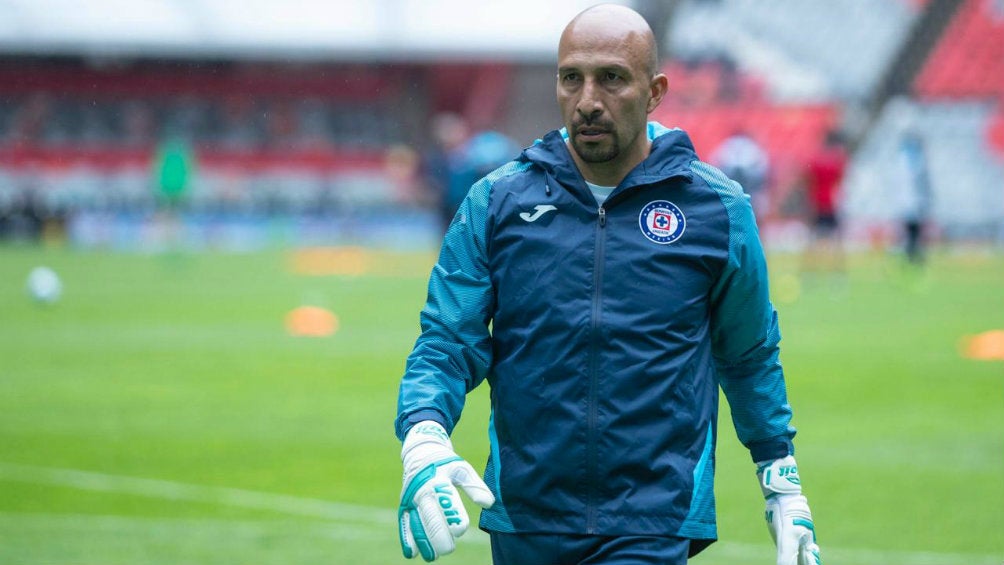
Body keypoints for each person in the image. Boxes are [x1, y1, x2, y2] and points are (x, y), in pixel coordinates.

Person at [395, 5, 821, 565]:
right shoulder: (498, 203)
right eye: (572, 78)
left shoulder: (715, 210)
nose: (588, 100)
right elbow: (449, 338)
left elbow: (748, 352)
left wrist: (779, 477)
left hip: (651, 518)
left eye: (612, 78)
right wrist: (423, 431)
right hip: (525, 515)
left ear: (655, 91)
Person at [800, 128, 848, 277]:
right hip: (832, 203)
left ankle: (810, 273)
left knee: (812, 239)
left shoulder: (816, 160)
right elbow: (840, 181)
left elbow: (807, 180)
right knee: (836, 240)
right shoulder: (838, 160)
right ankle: (837, 274)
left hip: (816, 202)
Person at [711, 128, 771, 220]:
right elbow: (762, 170)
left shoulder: (726, 145)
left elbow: (714, 167)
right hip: (750, 187)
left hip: (730, 186)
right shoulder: (753, 146)